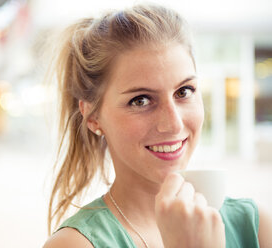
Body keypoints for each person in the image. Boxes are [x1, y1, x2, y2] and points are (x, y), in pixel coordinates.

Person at [43, 3, 272, 248]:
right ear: (92, 117)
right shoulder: (74, 244)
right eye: (140, 100)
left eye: (184, 91)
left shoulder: (257, 226)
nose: (173, 124)